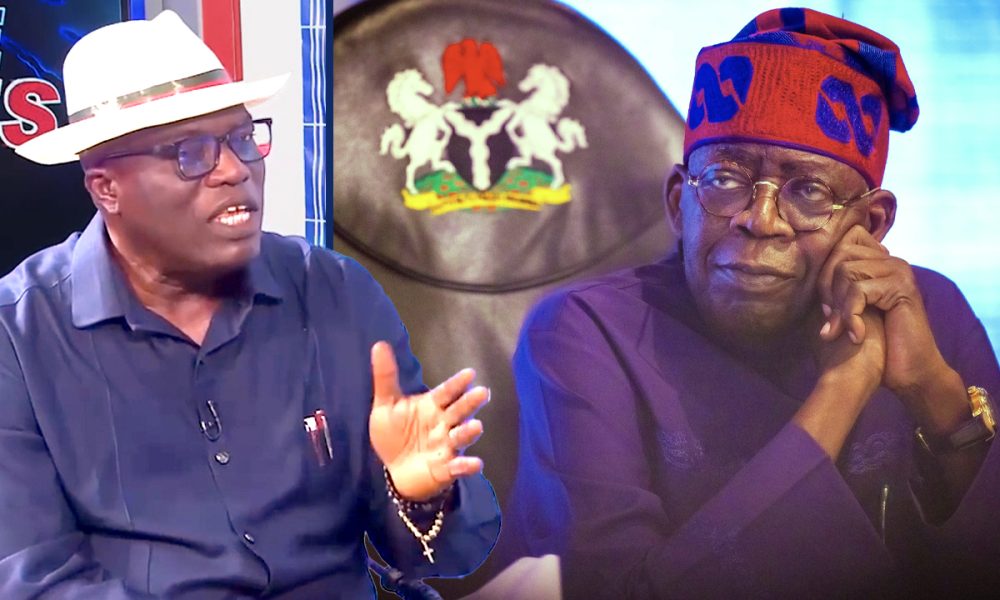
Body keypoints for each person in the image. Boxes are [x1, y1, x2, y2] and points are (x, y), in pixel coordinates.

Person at [501, 7, 999, 599]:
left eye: (808, 191)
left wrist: (932, 391)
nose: (760, 220)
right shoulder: (585, 333)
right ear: (678, 203)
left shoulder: (926, 313)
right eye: (724, 180)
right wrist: (843, 389)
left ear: (870, 223)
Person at [0, 11, 499, 598]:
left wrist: (418, 495)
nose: (236, 170)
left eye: (243, 138)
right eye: (190, 153)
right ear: (107, 188)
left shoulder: (335, 291)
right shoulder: (19, 337)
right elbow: (34, 579)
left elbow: (451, 551)